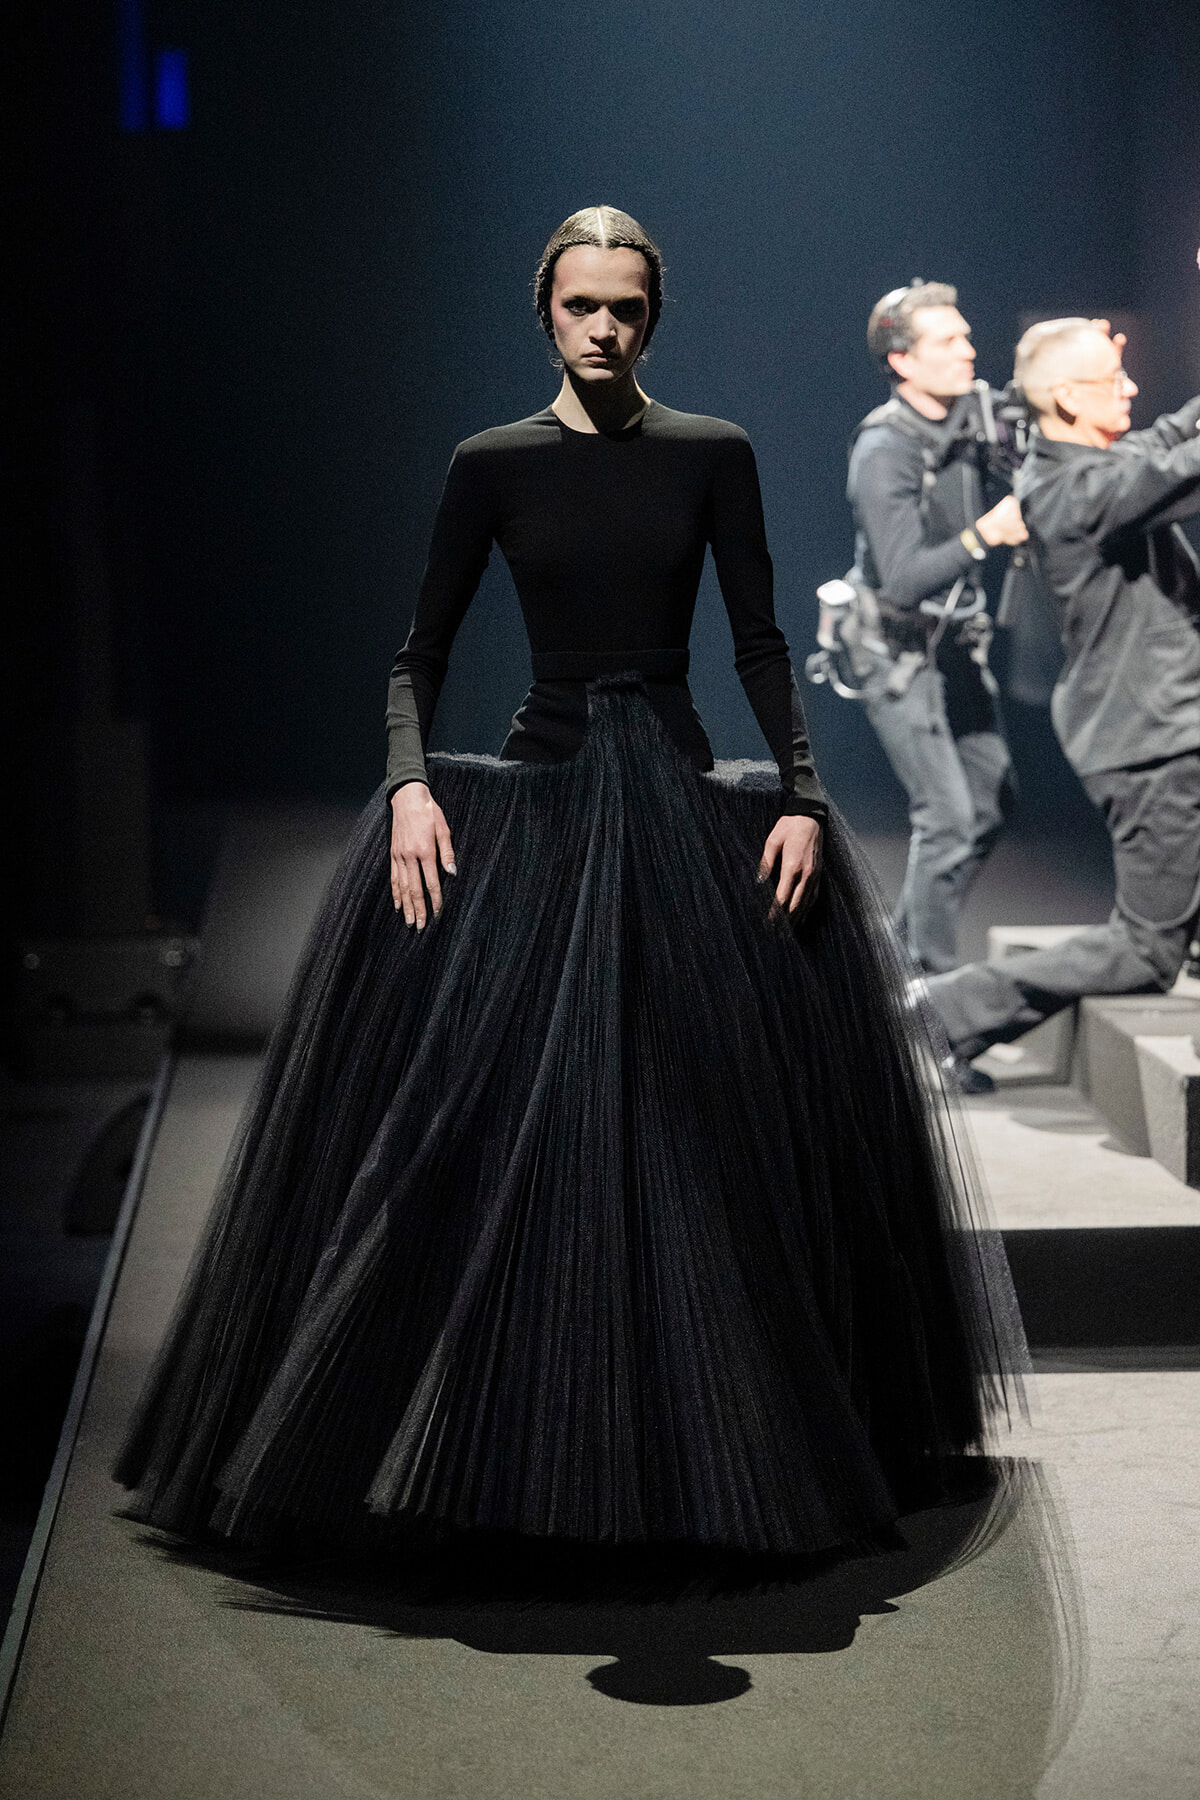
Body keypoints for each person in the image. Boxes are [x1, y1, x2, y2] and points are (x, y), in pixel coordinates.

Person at [116, 209, 1022, 1562]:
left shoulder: (713, 454)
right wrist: (413, 786)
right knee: (490, 1128)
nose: (605, 327)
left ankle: (724, 1447)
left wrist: (803, 796)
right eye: (584, 305)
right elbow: (415, 656)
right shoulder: (493, 465)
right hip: (541, 794)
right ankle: (486, 1451)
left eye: (628, 309)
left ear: (654, 319)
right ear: (545, 309)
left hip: (674, 787)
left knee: (698, 1138)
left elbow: (764, 644)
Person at [927, 317, 1200, 1063]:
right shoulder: (1073, 490)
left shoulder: (1085, 460)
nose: (1135, 390)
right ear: (1071, 401)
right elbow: (1176, 467)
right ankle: (947, 1009)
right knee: (1147, 952)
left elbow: (1174, 432)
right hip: (1153, 743)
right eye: (1115, 383)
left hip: (1162, 730)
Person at [846, 283, 1026, 988]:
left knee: (990, 798)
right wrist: (987, 533)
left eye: (966, 336)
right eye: (948, 341)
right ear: (902, 360)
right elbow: (902, 580)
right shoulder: (884, 449)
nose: (969, 350)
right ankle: (936, 1005)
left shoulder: (970, 422)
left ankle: (887, 966)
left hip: (953, 645)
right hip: (895, 648)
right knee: (947, 817)